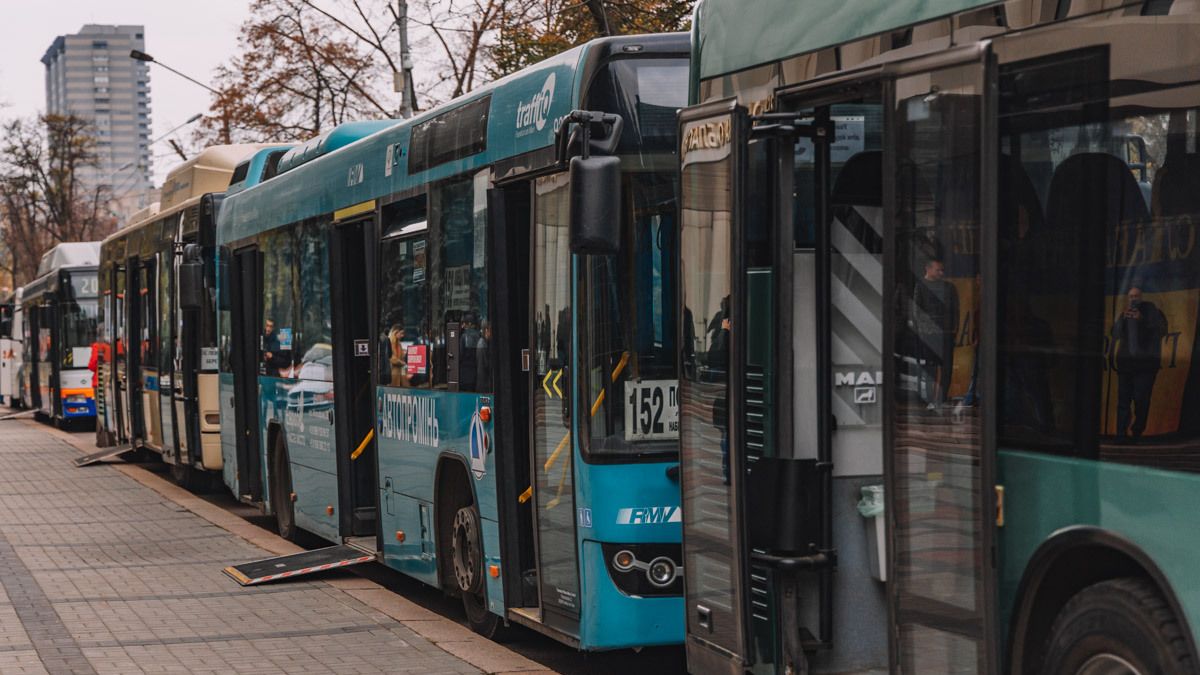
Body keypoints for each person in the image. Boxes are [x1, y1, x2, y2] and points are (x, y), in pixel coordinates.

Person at [1110, 286, 1168, 439]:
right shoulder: (1124, 314)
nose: (1133, 299)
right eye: (1130, 296)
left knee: (1141, 399)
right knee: (1123, 401)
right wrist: (1122, 319)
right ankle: (1121, 435)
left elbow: (1162, 332)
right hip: (1125, 365)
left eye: (1136, 296)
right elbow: (1114, 334)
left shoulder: (1154, 312)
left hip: (1145, 366)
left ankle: (1137, 430)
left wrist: (1142, 320)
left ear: (1143, 297)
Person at [911, 257, 959, 408]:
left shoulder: (949, 287)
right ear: (928, 268)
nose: (941, 273)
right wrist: (924, 332)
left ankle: (942, 399)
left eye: (942, 270)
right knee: (930, 368)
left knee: (946, 366)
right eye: (938, 269)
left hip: (946, 332)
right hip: (929, 334)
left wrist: (954, 329)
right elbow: (916, 312)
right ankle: (931, 399)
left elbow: (955, 311)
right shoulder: (920, 286)